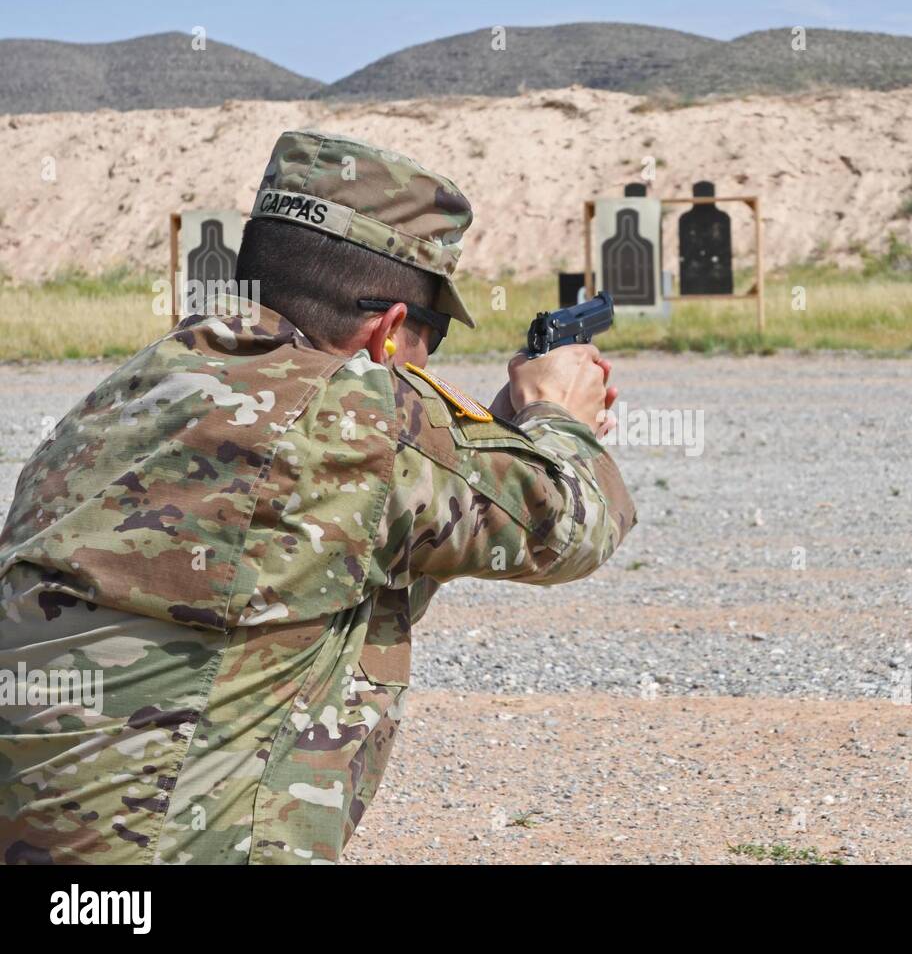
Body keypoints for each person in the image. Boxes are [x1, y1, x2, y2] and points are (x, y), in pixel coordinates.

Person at [0, 129, 636, 864]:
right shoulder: (362, 422)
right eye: (431, 337)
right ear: (390, 334)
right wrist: (558, 418)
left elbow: (338, 521)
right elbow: (573, 525)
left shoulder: (126, 393)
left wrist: (488, 432)